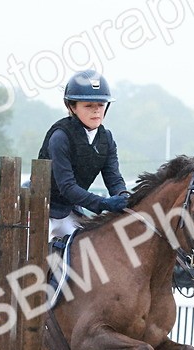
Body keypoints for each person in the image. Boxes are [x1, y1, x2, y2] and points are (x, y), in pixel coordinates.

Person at [38, 69, 130, 240]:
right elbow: (67, 187)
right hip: (41, 208)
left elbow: (114, 179)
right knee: (30, 253)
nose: (96, 111)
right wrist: (103, 203)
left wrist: (123, 197)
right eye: (88, 106)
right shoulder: (60, 137)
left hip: (70, 211)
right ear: (72, 107)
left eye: (101, 105)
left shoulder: (106, 138)